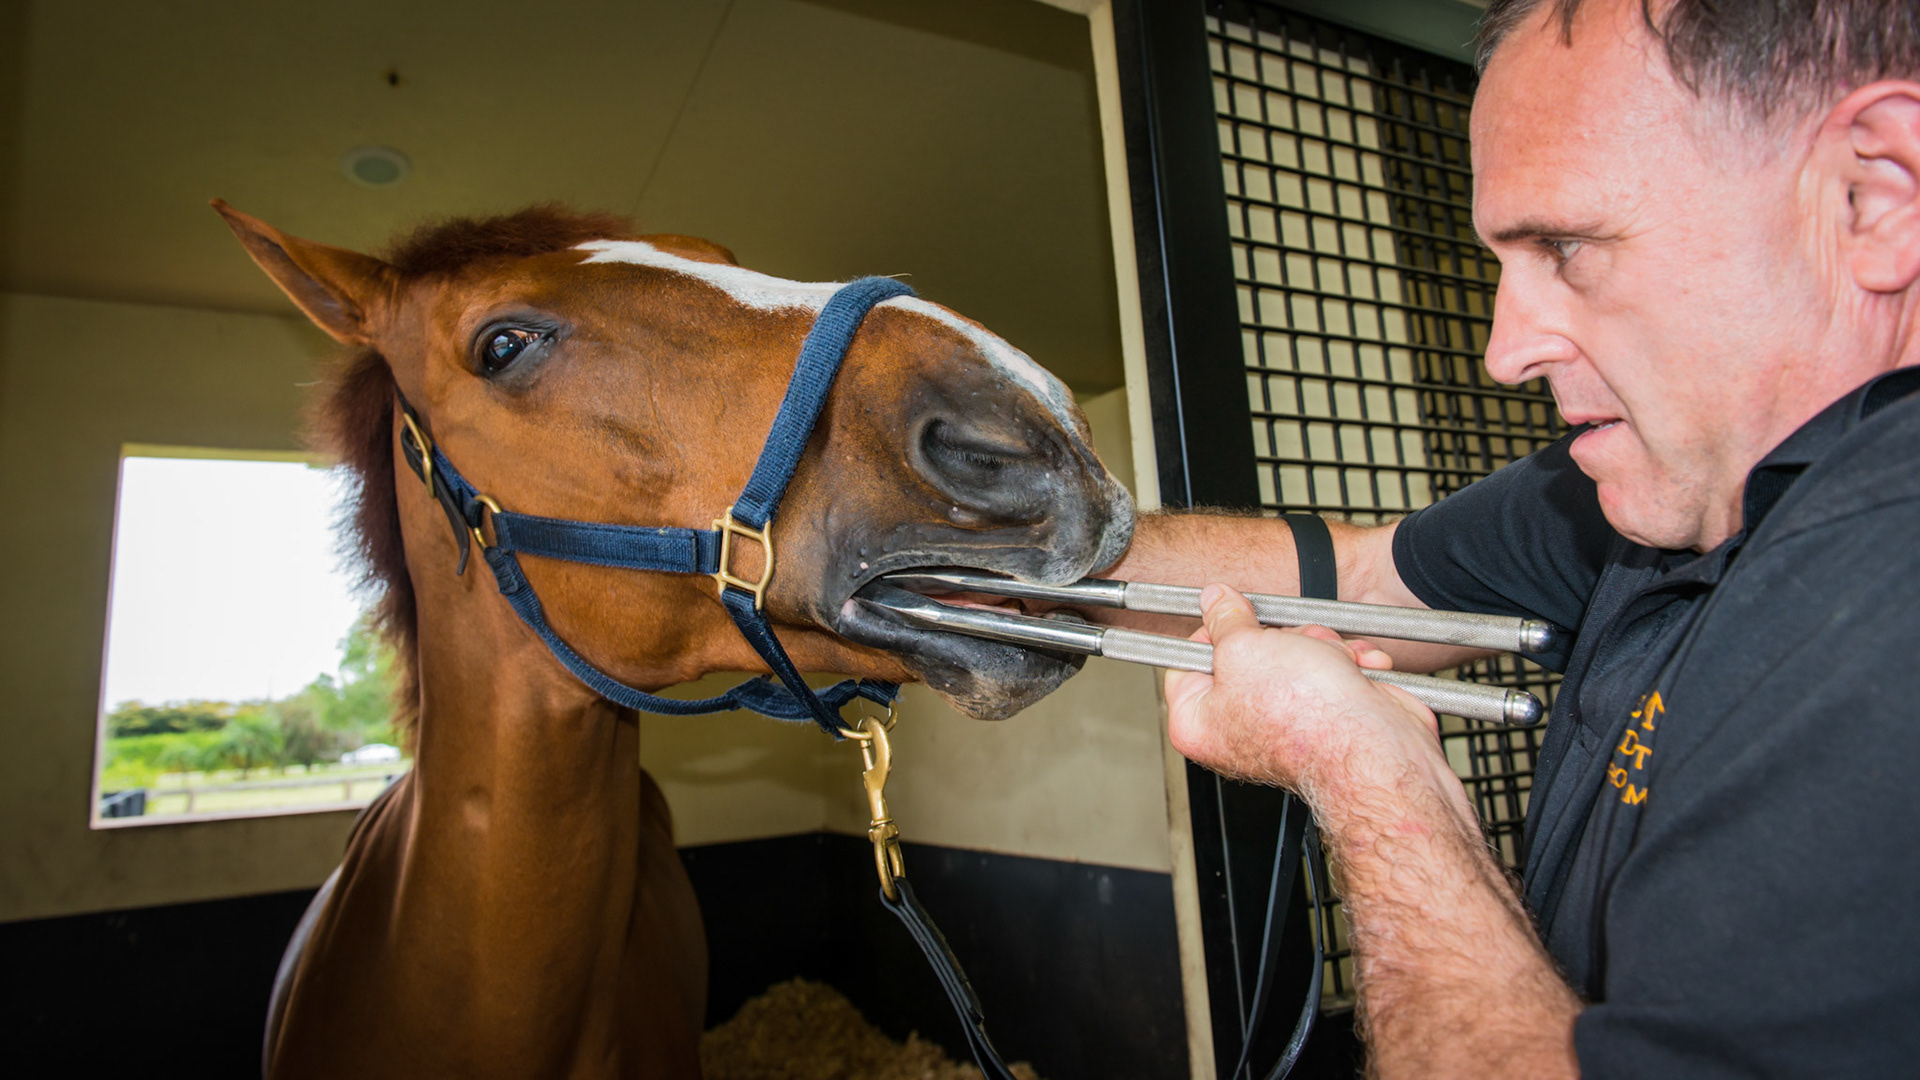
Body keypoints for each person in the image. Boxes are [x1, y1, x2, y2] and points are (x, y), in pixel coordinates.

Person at [1104, 0, 1920, 1075]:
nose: (1504, 351)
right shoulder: (1659, 480)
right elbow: (1354, 583)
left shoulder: (1888, 598)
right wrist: (992, 567)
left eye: (1566, 247)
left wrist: (1366, 777)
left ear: (1872, 197)